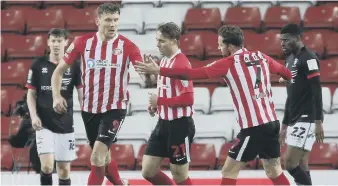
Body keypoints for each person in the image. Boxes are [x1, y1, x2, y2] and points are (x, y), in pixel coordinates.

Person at [135, 25, 292, 185]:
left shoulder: (229, 63)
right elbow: (285, 71)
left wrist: (160, 70)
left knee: (229, 171)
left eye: (220, 44)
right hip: (272, 123)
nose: (218, 47)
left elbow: (192, 74)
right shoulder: (261, 56)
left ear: (230, 47)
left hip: (254, 126)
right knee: (273, 169)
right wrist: (285, 79)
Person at [51, 3, 150, 185]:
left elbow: (142, 71)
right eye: (108, 20)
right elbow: (58, 72)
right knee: (103, 157)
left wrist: (149, 73)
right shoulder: (83, 42)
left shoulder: (128, 46)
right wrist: (57, 96)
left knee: (96, 156)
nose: (112, 24)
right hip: (89, 109)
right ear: (98, 21)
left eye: (116, 20)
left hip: (115, 107)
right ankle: (120, 184)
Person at [26, 28, 83, 185]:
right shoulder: (38, 64)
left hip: (65, 124)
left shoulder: (74, 65)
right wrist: (34, 116)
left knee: (64, 170)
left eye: (59, 41)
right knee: (47, 165)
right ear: (48, 42)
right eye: (53, 41)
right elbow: (31, 94)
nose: (56, 44)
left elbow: (81, 91)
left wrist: (87, 112)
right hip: (44, 124)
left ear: (66, 42)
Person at [141, 22, 195, 185]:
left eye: (161, 41)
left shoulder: (181, 64)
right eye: (157, 40)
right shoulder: (164, 61)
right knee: (148, 171)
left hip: (180, 126)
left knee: (179, 175)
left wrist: (160, 101)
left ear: (174, 40)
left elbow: (188, 99)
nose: (157, 44)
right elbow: (168, 88)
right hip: (163, 124)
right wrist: (156, 105)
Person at [278, 23, 324, 185]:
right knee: (302, 163)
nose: (282, 43)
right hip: (295, 118)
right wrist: (284, 124)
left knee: (289, 164)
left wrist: (318, 121)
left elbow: (316, 90)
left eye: (286, 40)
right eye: (281, 40)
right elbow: (290, 95)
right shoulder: (289, 60)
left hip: (307, 117)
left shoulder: (309, 58)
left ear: (297, 38)